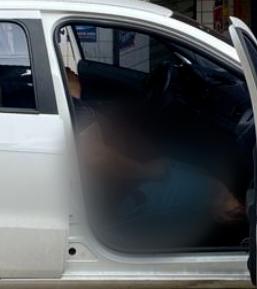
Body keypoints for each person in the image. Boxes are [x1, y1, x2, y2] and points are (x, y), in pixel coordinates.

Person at [65, 68, 245, 225]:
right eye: (60, 66)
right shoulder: (74, 108)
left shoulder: (71, 104)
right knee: (215, 190)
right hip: (133, 188)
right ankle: (251, 231)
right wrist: (146, 171)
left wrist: (75, 94)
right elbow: (96, 156)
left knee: (206, 172)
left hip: (142, 170)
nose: (68, 69)